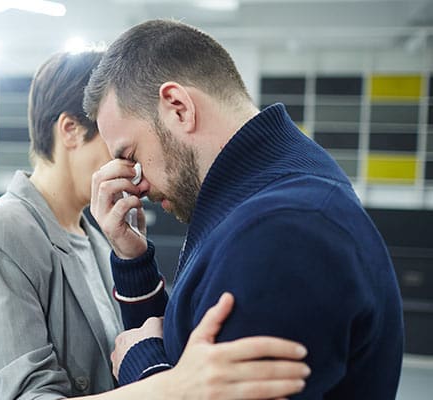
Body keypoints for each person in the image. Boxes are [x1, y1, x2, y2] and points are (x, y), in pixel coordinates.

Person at [0, 50, 309, 400]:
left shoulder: (99, 241)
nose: (135, 169)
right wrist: (173, 389)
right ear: (70, 129)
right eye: (121, 149)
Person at [84, 19, 404, 399]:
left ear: (178, 107)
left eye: (131, 155)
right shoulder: (262, 193)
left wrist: (146, 370)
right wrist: (132, 259)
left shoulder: (281, 233)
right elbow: (191, 356)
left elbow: (188, 383)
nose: (136, 184)